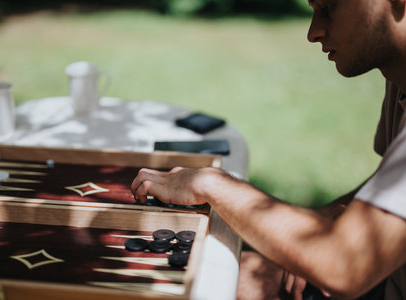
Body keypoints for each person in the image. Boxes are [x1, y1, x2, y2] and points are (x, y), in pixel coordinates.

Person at [131, 0, 406, 299]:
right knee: (219, 273)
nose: (313, 33)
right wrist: (318, 230)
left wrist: (209, 183)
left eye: (328, 7)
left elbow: (346, 266)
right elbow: (387, 193)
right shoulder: (399, 74)